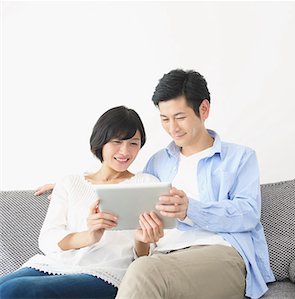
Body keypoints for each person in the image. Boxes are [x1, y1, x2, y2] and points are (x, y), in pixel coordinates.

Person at [35, 69, 276, 298]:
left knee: (142, 271)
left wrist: (190, 209)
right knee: (142, 269)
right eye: (165, 119)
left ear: (204, 109)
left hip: (218, 254)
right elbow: (130, 190)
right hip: (161, 258)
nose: (172, 128)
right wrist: (76, 185)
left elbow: (248, 214)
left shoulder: (240, 158)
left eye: (180, 117)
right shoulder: (159, 162)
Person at [0, 106, 162, 298]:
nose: (125, 151)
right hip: (55, 264)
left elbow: (145, 256)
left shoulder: (146, 184)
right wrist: (90, 236)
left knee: (18, 290)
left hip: (108, 272)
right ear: (100, 142)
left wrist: (142, 239)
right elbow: (48, 239)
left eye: (133, 143)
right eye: (117, 142)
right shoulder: (70, 183)